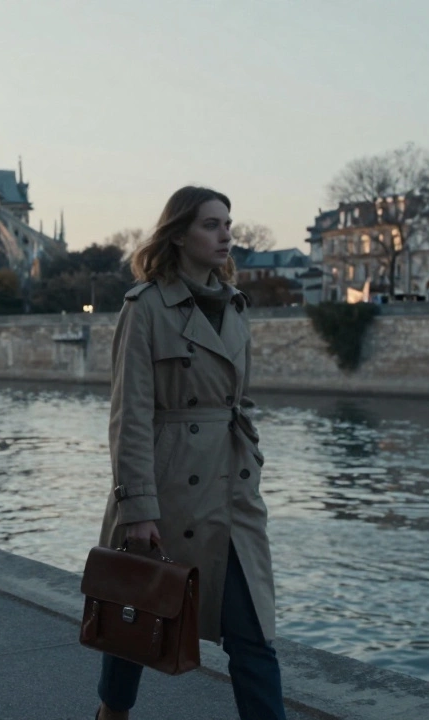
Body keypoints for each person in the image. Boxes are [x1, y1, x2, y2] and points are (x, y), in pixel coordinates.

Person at [95, 187, 287, 720]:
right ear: (178, 234)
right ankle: (112, 714)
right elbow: (129, 414)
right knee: (137, 613)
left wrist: (251, 449)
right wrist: (138, 507)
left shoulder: (235, 306)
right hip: (169, 489)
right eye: (210, 224)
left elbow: (239, 397)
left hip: (233, 496)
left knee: (254, 636)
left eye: (228, 223)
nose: (226, 234)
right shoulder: (146, 307)